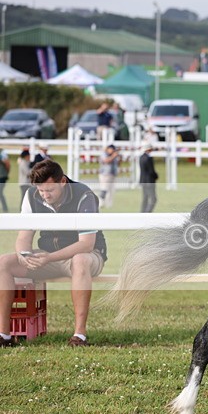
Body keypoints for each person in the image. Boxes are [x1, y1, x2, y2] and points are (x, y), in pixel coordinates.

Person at [0, 159, 107, 347]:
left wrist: (48, 258)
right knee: (4, 262)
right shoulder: (31, 195)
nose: (44, 195)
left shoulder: (85, 195)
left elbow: (86, 244)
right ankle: (4, 336)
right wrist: (24, 255)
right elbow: (24, 236)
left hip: (86, 256)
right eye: (41, 191)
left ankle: (79, 336)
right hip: (46, 256)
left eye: (49, 190)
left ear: (63, 181)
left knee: (80, 260)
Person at [98, 144, 120, 208]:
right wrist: (114, 156)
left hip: (112, 175)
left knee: (111, 190)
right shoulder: (104, 154)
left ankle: (108, 204)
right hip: (105, 175)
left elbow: (118, 164)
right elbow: (106, 161)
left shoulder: (114, 156)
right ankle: (100, 202)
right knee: (104, 189)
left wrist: (119, 157)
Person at [139, 144, 159, 213]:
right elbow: (151, 171)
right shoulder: (149, 158)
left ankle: (142, 212)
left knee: (145, 198)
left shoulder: (141, 157)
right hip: (149, 181)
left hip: (143, 181)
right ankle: (148, 212)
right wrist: (156, 176)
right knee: (153, 199)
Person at [0, 147, 9, 213]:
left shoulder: (2, 153)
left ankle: (5, 208)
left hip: (2, 176)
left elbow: (7, 164)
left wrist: (6, 173)